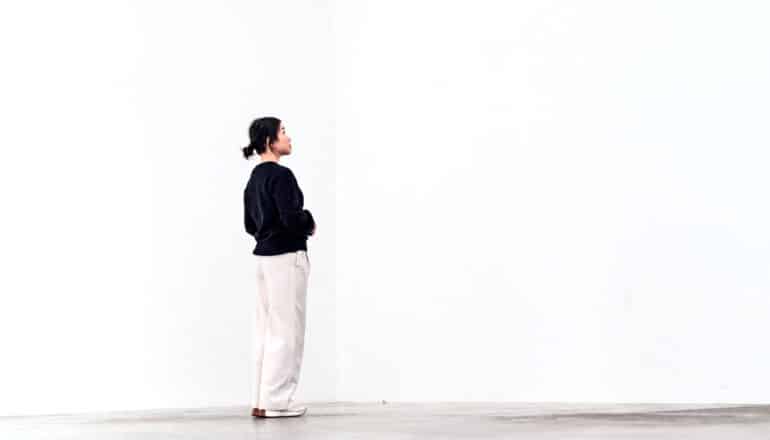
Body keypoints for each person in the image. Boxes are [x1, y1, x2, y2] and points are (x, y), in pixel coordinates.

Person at [241, 117, 315, 418]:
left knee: (266, 328)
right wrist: (309, 222)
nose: (288, 137)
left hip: (263, 258)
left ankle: (262, 399)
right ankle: (277, 401)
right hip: (286, 257)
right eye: (283, 132)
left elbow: (249, 224)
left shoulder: (254, 179)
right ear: (270, 141)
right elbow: (291, 217)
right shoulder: (281, 176)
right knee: (287, 330)